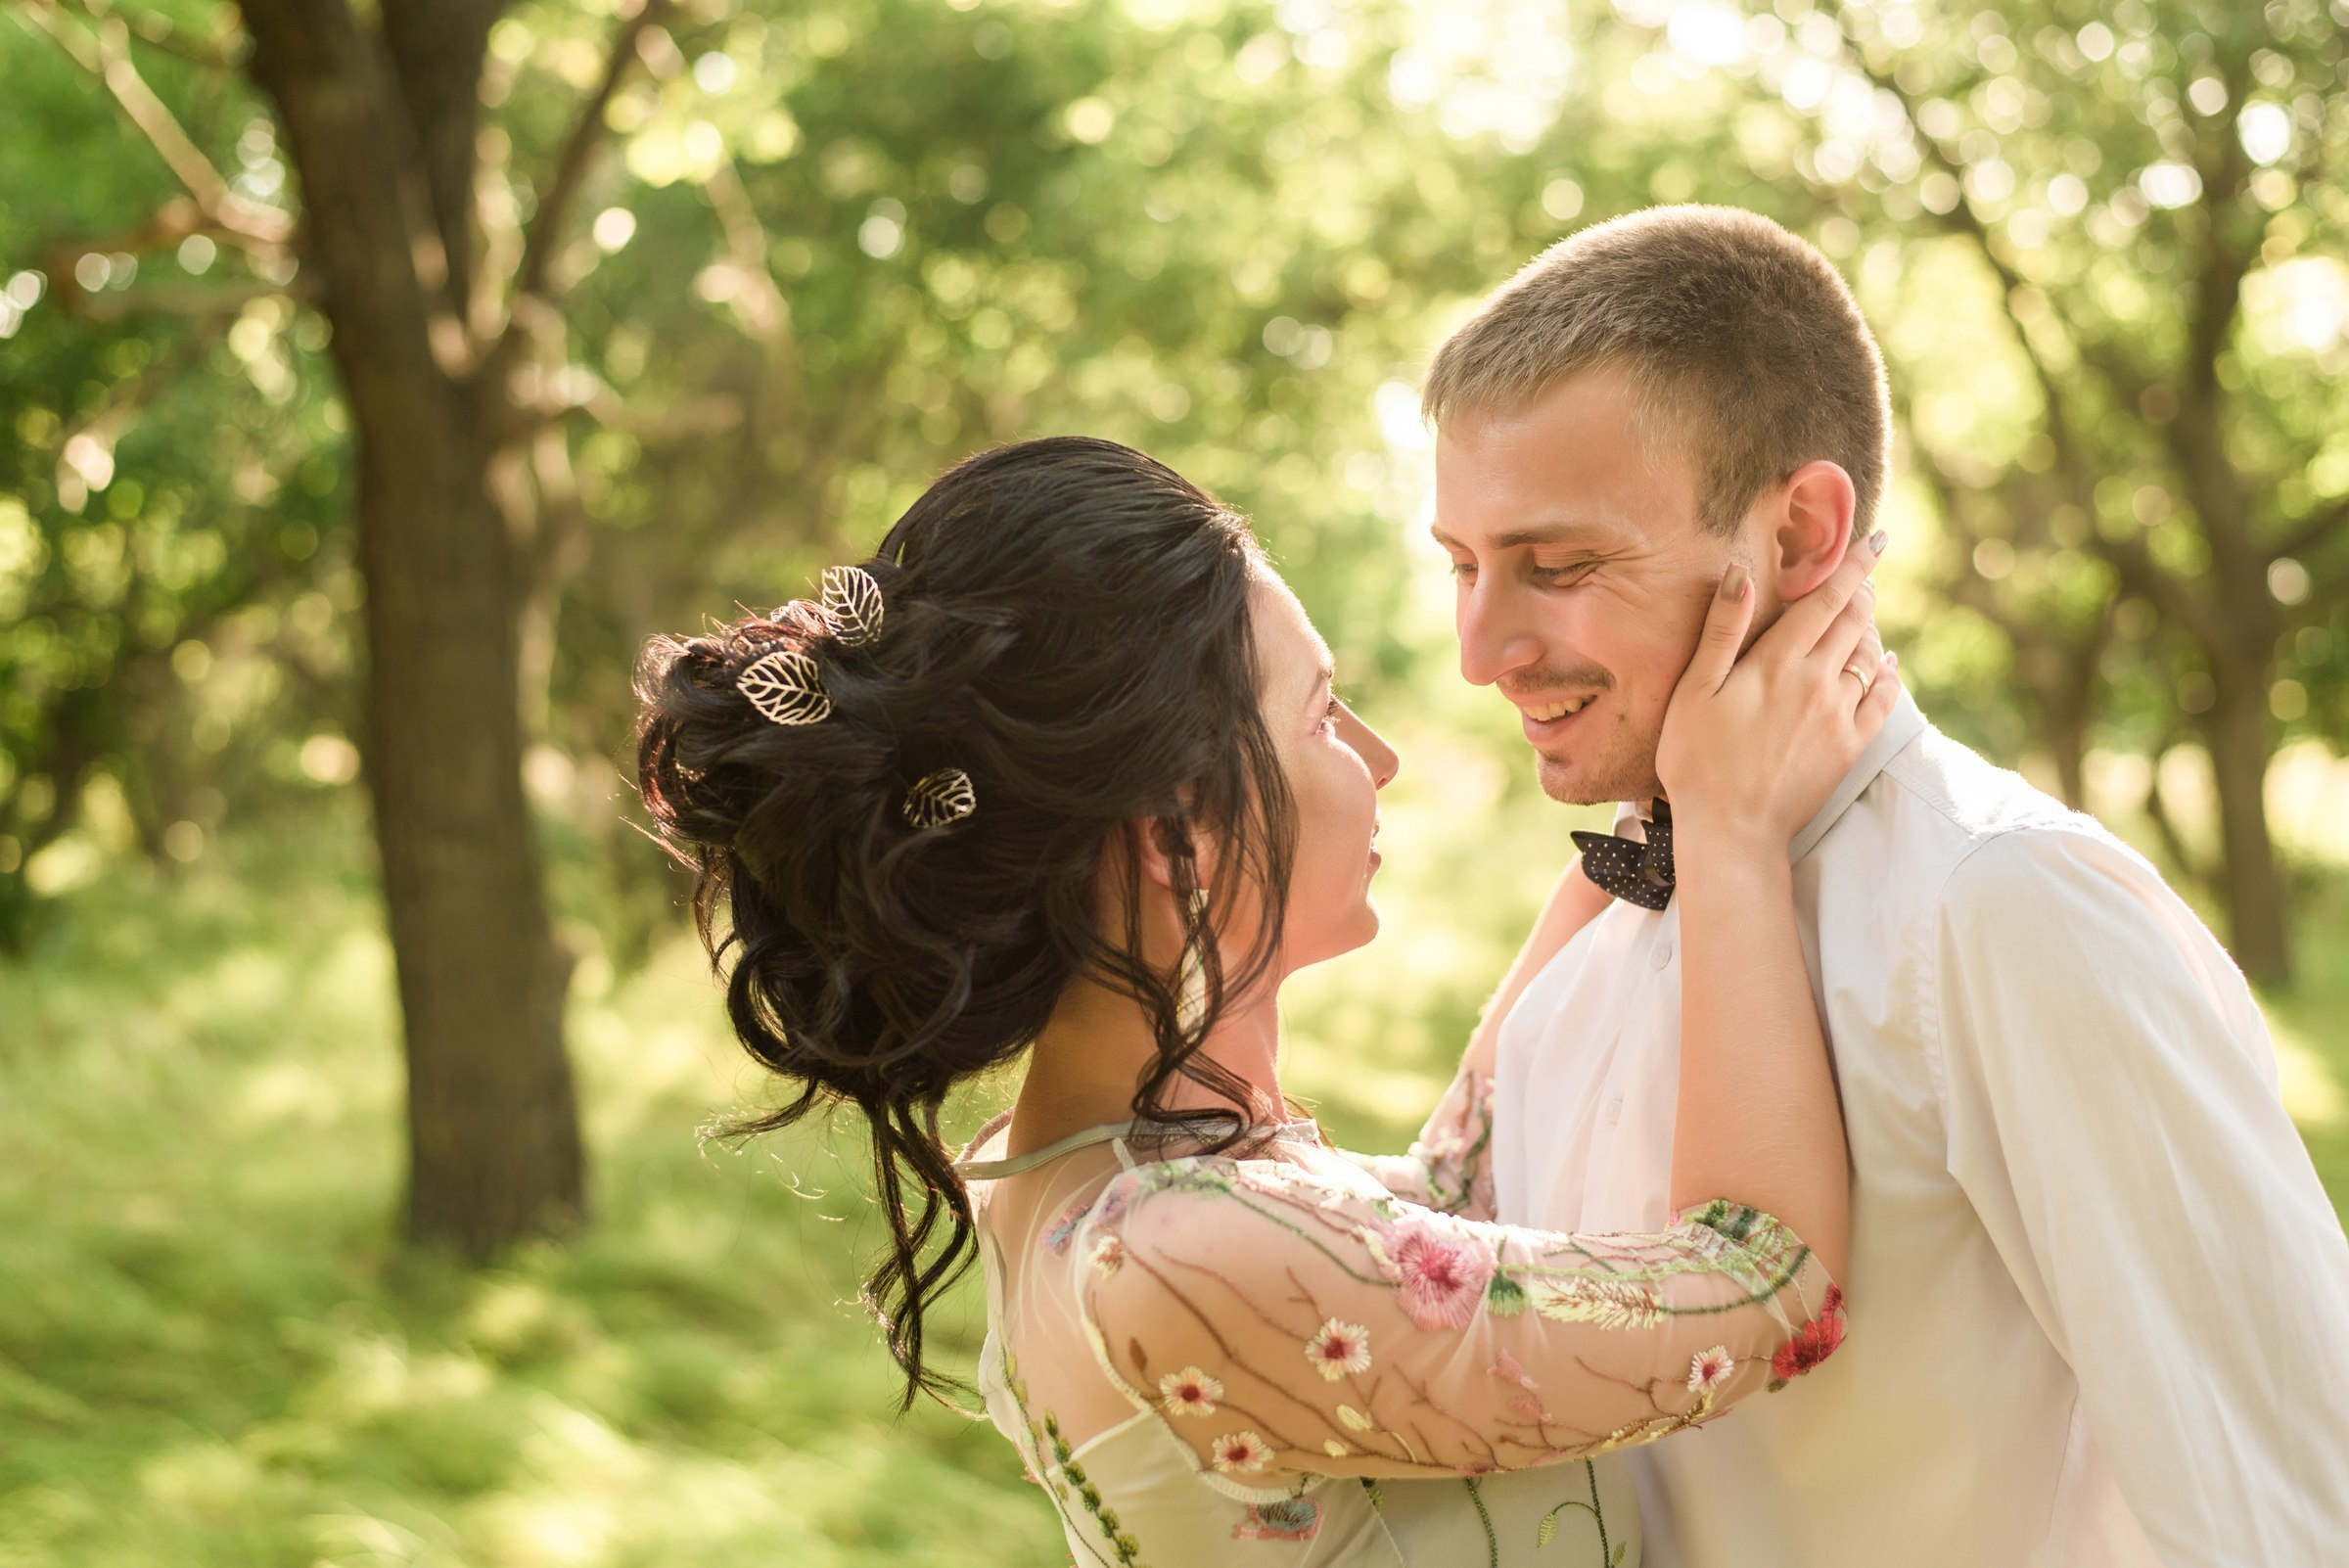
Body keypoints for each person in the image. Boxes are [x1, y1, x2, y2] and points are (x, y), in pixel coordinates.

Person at [632, 436, 1896, 1565]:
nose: (1381, 755)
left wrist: (1657, 790)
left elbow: (1457, 1193)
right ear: (1177, 832)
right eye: (1321, 714)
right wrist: (1730, 833)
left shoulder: (1091, 1171)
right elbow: (1767, 1281)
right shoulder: (1180, 1253)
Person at [1420, 205, 2349, 1568]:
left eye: (1557, 567)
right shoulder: (1597, 928)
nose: (1481, 648)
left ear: (1801, 535)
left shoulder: (2009, 907)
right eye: (1460, 566)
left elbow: (2288, 1504)